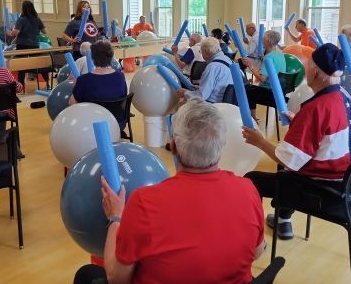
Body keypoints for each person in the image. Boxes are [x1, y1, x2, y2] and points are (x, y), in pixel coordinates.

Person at [74, 100, 265, 284]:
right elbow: (257, 252)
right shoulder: (248, 189)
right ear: (221, 147)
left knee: (86, 275)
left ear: (173, 147)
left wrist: (115, 218)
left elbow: (117, 278)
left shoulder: (144, 202)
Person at [242, 43, 351, 240]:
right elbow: (329, 133)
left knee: (252, 178)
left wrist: (259, 141)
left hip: (324, 189)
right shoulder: (345, 96)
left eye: (309, 66)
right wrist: (299, 121)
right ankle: (283, 221)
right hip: (349, 180)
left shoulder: (316, 109)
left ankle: (252, 240)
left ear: (315, 72)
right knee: (286, 166)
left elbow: (287, 160)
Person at [241, 30, 287, 119]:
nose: (262, 41)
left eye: (263, 39)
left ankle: (253, 119)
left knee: (248, 92)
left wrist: (250, 65)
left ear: (268, 42)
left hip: (270, 94)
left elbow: (263, 79)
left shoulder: (268, 57)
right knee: (251, 87)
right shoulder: (280, 54)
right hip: (280, 92)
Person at [69, 41, 127, 107]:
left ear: (92, 58)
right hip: (116, 116)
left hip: (93, 116)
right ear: (111, 56)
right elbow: (123, 98)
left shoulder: (83, 80)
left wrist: (75, 88)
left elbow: (72, 103)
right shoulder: (120, 76)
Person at [177, 37, 233, 103]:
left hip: (213, 104)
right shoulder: (228, 60)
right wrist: (201, 87)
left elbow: (202, 96)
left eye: (201, 52)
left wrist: (185, 93)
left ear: (206, 51)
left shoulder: (212, 67)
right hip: (226, 102)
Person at [7, 0, 49, 88]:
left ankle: (21, 86)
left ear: (23, 8)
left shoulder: (21, 19)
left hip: (23, 46)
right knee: (38, 64)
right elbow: (45, 31)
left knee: (22, 65)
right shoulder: (37, 19)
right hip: (35, 45)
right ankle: (47, 83)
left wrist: (9, 33)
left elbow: (15, 33)